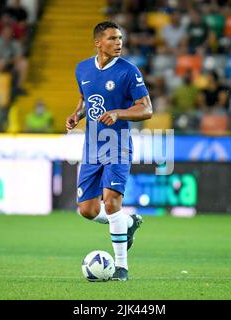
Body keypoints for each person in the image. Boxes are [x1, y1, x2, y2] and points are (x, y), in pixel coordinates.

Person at [65, 21, 153, 281]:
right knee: (88, 210)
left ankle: (121, 267)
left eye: (120, 38)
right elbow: (85, 100)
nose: (119, 43)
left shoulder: (129, 71)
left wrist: (119, 113)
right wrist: (76, 115)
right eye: (113, 39)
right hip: (92, 147)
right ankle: (127, 223)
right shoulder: (82, 68)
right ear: (98, 43)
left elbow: (146, 109)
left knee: (112, 201)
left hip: (117, 145)